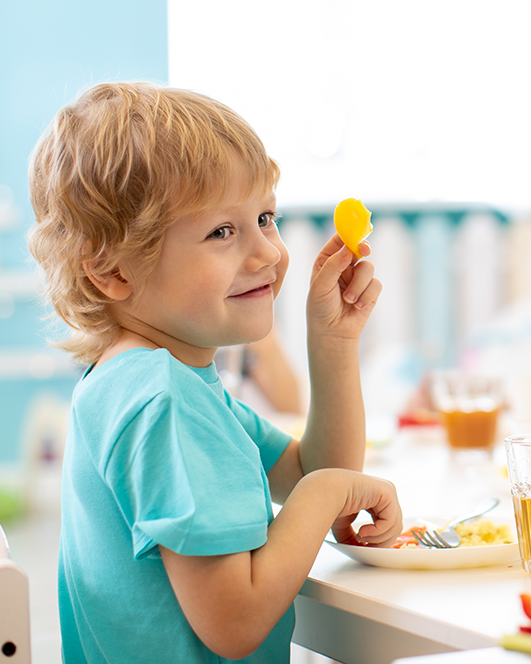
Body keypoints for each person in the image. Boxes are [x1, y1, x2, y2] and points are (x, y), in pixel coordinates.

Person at [28, 82, 401, 663]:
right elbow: (236, 621)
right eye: (222, 232)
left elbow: (309, 470)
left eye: (265, 217)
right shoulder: (162, 400)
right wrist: (328, 495)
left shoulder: (151, 380)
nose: (270, 253)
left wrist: (331, 342)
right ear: (113, 272)